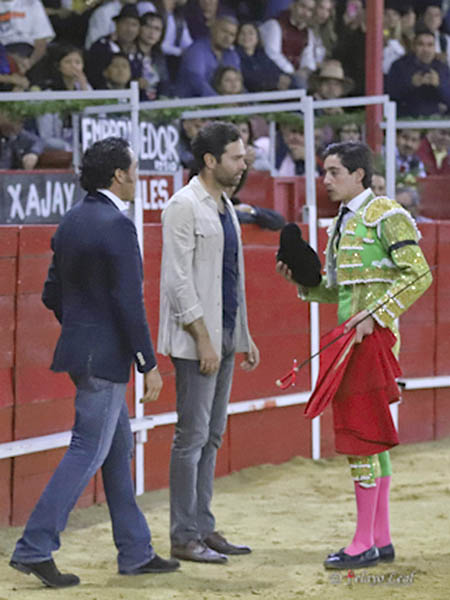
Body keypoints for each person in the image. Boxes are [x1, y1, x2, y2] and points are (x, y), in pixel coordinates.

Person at [9, 137, 180, 588]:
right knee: (87, 449)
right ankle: (34, 547)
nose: (138, 176)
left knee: (116, 451)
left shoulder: (72, 220)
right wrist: (147, 362)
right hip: (104, 358)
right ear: (119, 175)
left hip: (79, 351)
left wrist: (82, 328)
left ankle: (136, 551)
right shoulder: (117, 225)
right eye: (135, 169)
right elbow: (129, 302)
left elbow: (51, 294)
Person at [276, 141, 432, 570]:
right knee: (372, 438)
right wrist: (303, 283)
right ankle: (380, 538)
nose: (325, 180)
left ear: (359, 174)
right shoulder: (343, 222)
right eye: (325, 172)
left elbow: (419, 274)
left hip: (372, 341)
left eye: (334, 172)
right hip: (351, 339)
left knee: (360, 437)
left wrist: (375, 315)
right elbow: (338, 291)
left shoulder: (386, 214)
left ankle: (363, 542)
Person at [158, 121, 260, 564]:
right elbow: (177, 281)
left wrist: (243, 335)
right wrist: (203, 339)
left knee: (212, 435)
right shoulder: (184, 205)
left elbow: (231, 277)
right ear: (210, 160)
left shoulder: (225, 206)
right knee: (192, 436)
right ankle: (184, 535)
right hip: (197, 339)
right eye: (235, 158)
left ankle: (201, 525)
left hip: (224, 335)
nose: (243, 165)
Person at [386, 26, 450, 117]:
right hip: (405, 119)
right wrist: (411, 84)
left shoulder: (442, 68)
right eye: (421, 44)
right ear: (413, 46)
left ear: (434, 48)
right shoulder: (399, 66)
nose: (426, 49)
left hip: (436, 120)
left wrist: (439, 85)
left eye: (430, 45)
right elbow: (390, 96)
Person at [175, 14, 240, 97]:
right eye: (224, 31)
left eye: (232, 35)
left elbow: (239, 83)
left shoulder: (232, 55)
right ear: (213, 29)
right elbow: (197, 82)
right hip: (191, 102)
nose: (227, 37)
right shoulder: (196, 50)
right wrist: (219, 101)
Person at [259, 0, 317, 88]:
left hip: (296, 76)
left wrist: (306, 70)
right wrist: (293, 72)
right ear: (292, 5)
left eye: (310, 10)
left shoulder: (307, 33)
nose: (305, 13)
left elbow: (308, 57)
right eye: (302, 7)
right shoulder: (275, 25)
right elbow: (273, 55)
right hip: (273, 73)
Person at [86, 4, 142, 89]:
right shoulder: (101, 46)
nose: (130, 29)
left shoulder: (137, 52)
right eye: (126, 23)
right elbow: (93, 76)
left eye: (134, 25)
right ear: (116, 24)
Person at [235, 22, 291, 93]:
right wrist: (275, 82)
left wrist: (284, 78)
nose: (246, 36)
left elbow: (277, 71)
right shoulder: (235, 56)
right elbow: (249, 80)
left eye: (250, 33)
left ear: (257, 38)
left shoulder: (262, 55)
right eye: (242, 33)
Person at [137, 11, 171, 100]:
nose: (152, 32)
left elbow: (165, 83)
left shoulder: (159, 56)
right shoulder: (130, 52)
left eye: (157, 29)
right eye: (148, 26)